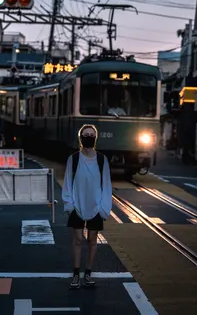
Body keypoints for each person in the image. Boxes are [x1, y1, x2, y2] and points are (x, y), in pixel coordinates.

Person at [62, 124, 113, 289]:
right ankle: (76, 274)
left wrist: (104, 207)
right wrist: (69, 204)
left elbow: (106, 184)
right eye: (86, 134)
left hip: (96, 205)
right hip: (77, 204)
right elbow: (68, 183)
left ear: (95, 138)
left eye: (92, 134)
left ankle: (88, 273)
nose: (89, 137)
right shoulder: (73, 159)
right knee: (77, 239)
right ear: (81, 138)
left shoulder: (101, 160)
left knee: (92, 240)